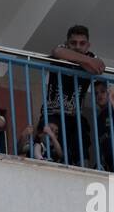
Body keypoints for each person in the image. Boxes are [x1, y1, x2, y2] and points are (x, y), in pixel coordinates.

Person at [42, 25, 105, 167]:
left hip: (75, 115)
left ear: (88, 45)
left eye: (82, 43)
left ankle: (84, 170)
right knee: (49, 135)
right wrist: (86, 61)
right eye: (73, 43)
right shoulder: (64, 49)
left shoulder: (90, 56)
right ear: (67, 43)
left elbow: (100, 67)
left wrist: (75, 58)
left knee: (82, 137)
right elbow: (57, 51)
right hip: (53, 112)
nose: (77, 46)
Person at [89, 81, 114, 174]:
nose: (99, 95)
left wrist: (112, 101)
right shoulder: (98, 117)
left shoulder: (113, 109)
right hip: (107, 155)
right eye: (96, 93)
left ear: (108, 93)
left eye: (102, 91)